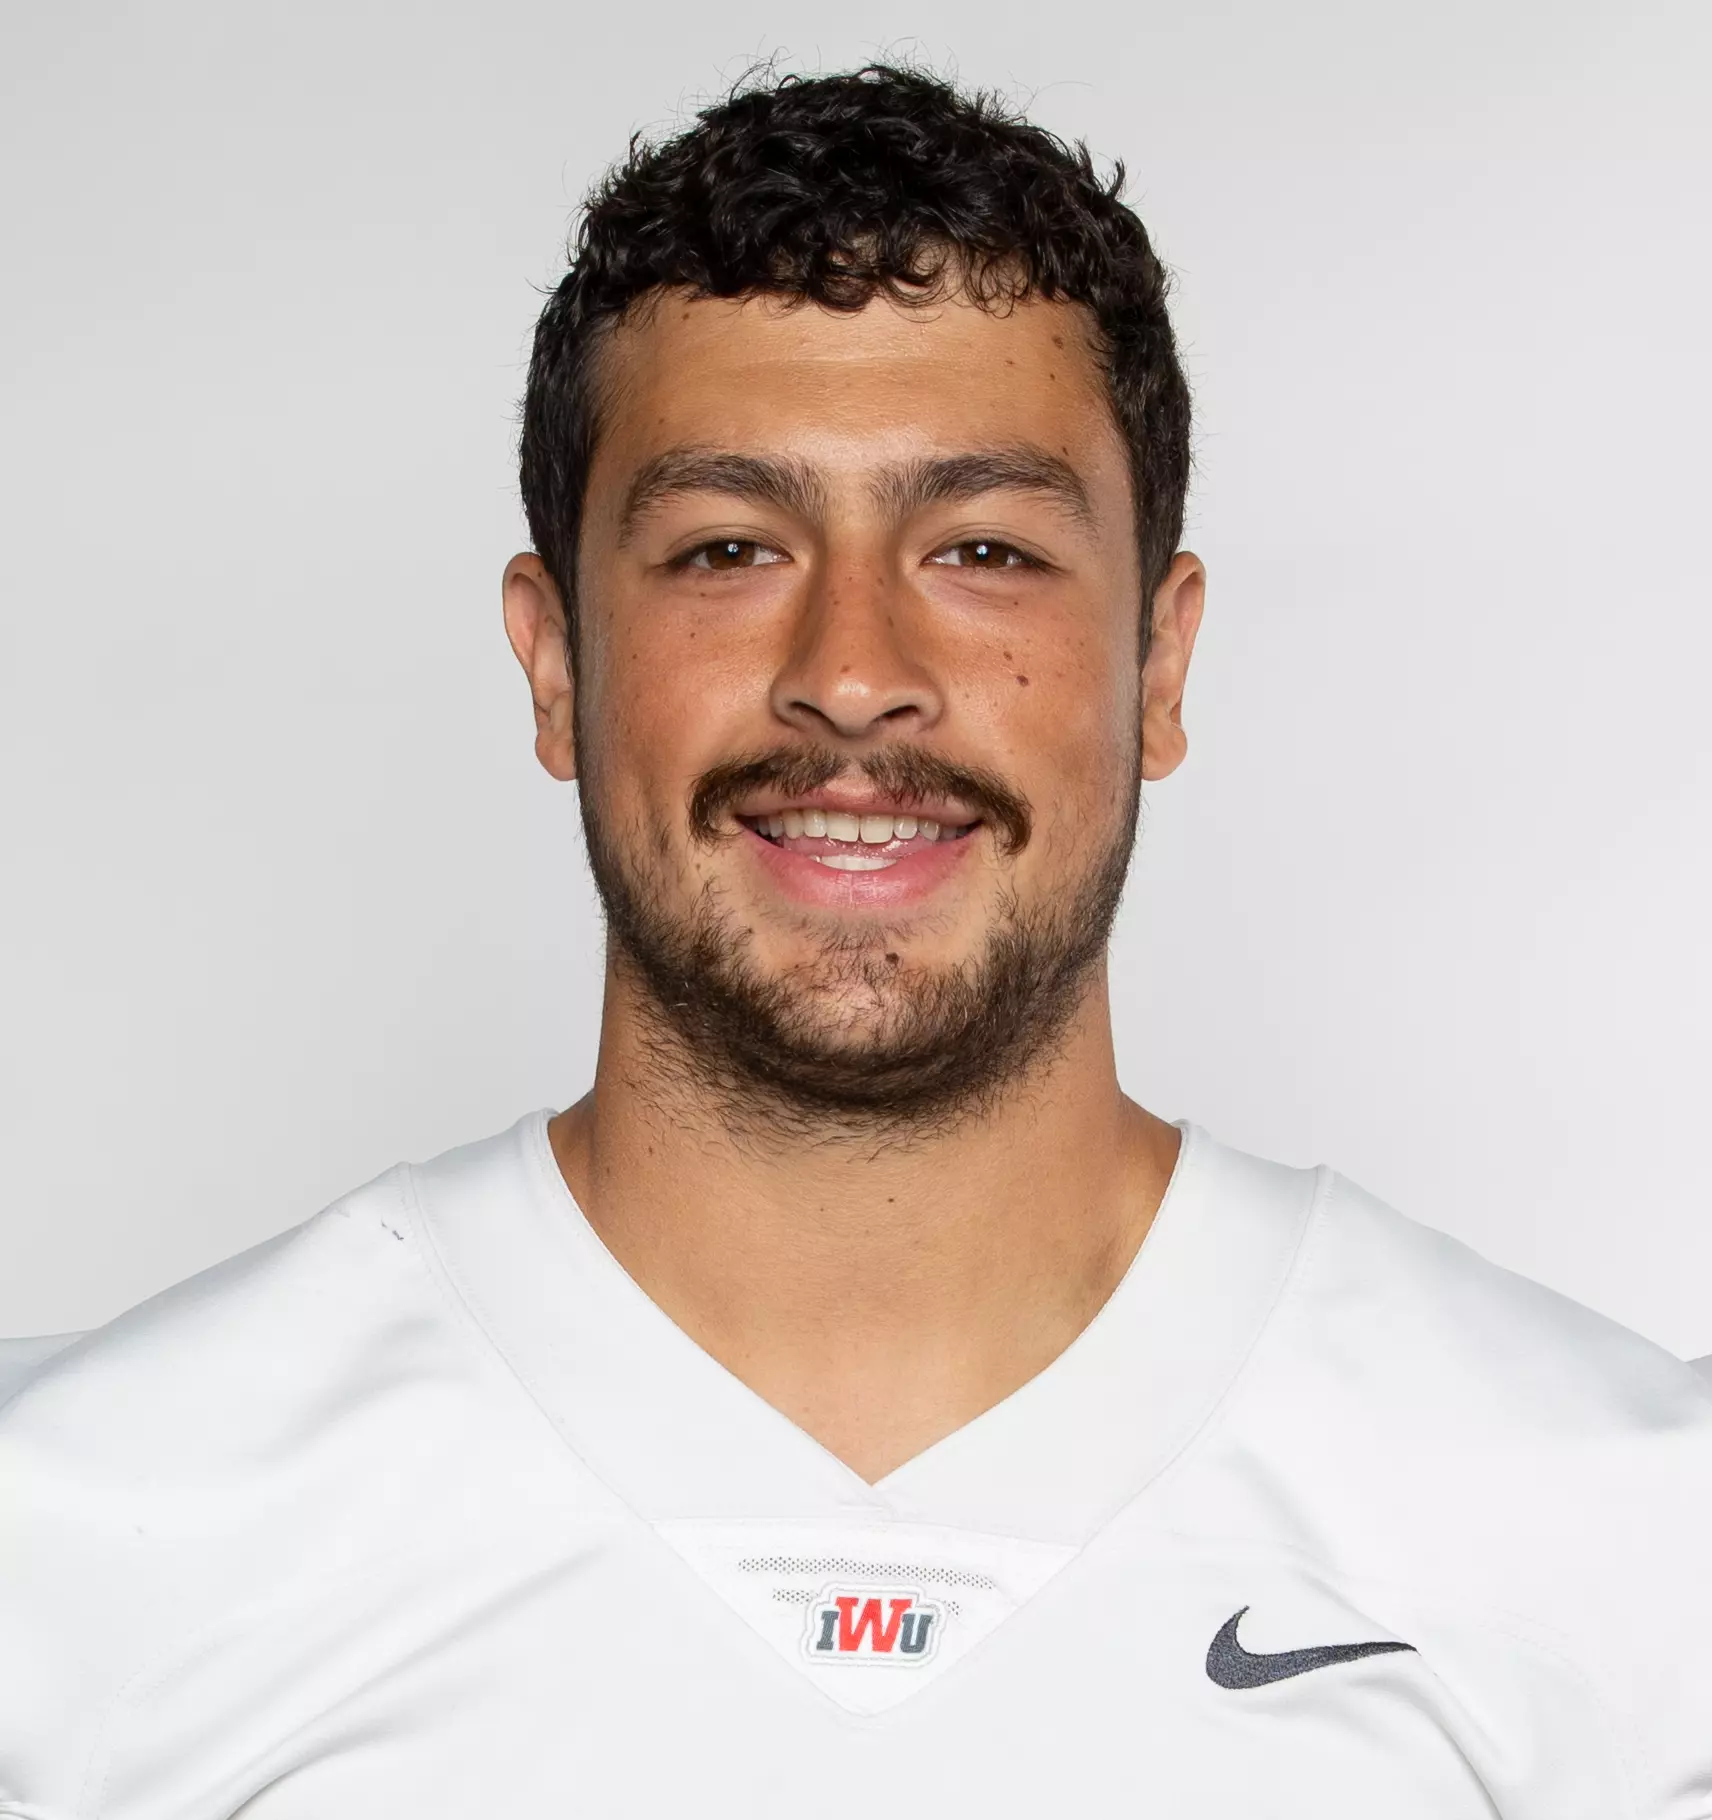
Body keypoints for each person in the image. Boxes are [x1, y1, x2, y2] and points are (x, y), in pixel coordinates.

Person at [2, 64, 1708, 1820]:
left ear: (1162, 662)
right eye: (729, 547)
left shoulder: (1635, 1549)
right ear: (557, 662)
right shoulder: (69, 1542)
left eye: (984, 548)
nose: (851, 671)